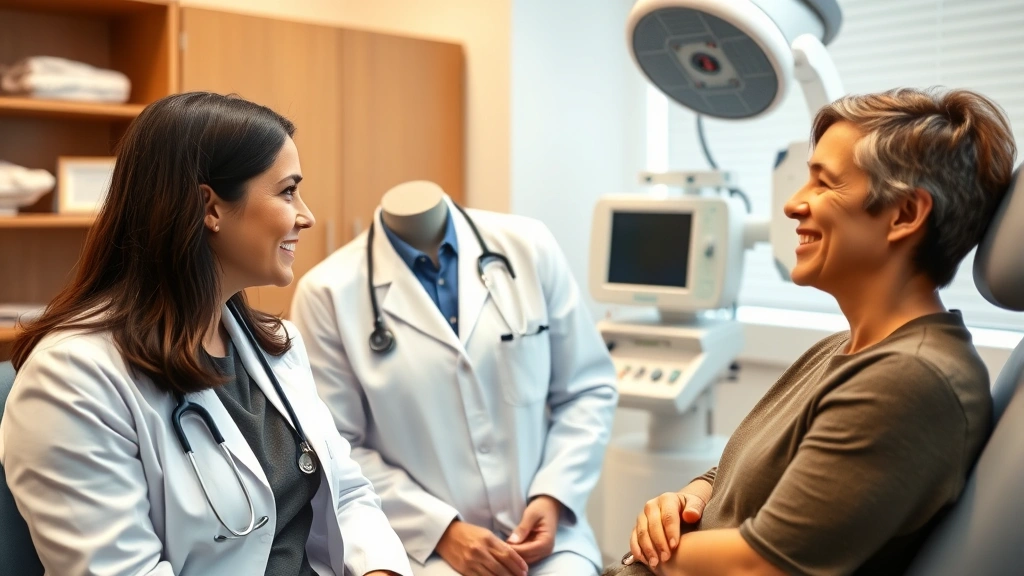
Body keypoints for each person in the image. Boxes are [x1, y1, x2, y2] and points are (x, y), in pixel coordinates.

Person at [0, 92, 412, 576]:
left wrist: (378, 570)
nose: (307, 216)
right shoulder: (74, 378)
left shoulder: (276, 346)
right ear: (208, 207)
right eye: (286, 191)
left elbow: (348, 492)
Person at [608, 87, 1016, 576]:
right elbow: (738, 478)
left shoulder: (908, 381)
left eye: (824, 184)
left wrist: (652, 553)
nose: (793, 205)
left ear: (905, 215)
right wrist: (681, 503)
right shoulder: (843, 350)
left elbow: (760, 567)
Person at [290, 181, 618, 576]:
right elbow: (338, 448)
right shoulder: (327, 292)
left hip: (548, 542)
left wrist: (553, 494)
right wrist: (443, 531)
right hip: (425, 550)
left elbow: (587, 390)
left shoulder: (529, 247)